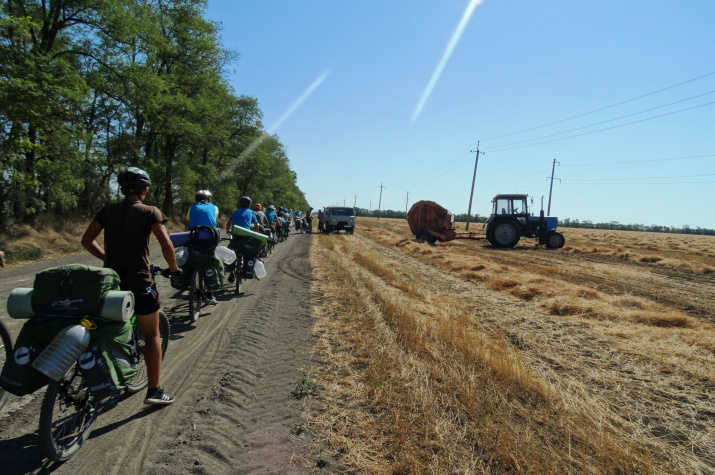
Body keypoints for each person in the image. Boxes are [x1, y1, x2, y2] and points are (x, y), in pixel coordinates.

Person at [81, 167, 180, 405]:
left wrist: (106, 259)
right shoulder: (150, 211)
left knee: (109, 327)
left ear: (123, 190)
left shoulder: (108, 210)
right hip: (139, 280)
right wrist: (175, 269)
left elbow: (86, 240)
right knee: (152, 334)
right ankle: (154, 391)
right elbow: (166, 243)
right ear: (145, 190)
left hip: (110, 280)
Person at [185, 190, 220, 305]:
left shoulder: (191, 208)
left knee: (189, 258)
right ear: (209, 199)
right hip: (209, 241)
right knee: (212, 263)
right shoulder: (214, 208)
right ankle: (210, 295)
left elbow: (187, 225)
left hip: (193, 239)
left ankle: (190, 282)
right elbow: (213, 222)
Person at [226, 196, 259, 281]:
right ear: (249, 205)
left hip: (236, 236)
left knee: (231, 252)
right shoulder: (251, 213)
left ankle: (231, 273)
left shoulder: (235, 212)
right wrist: (255, 233)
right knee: (247, 252)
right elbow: (256, 225)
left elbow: (229, 222)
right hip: (246, 237)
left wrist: (228, 231)